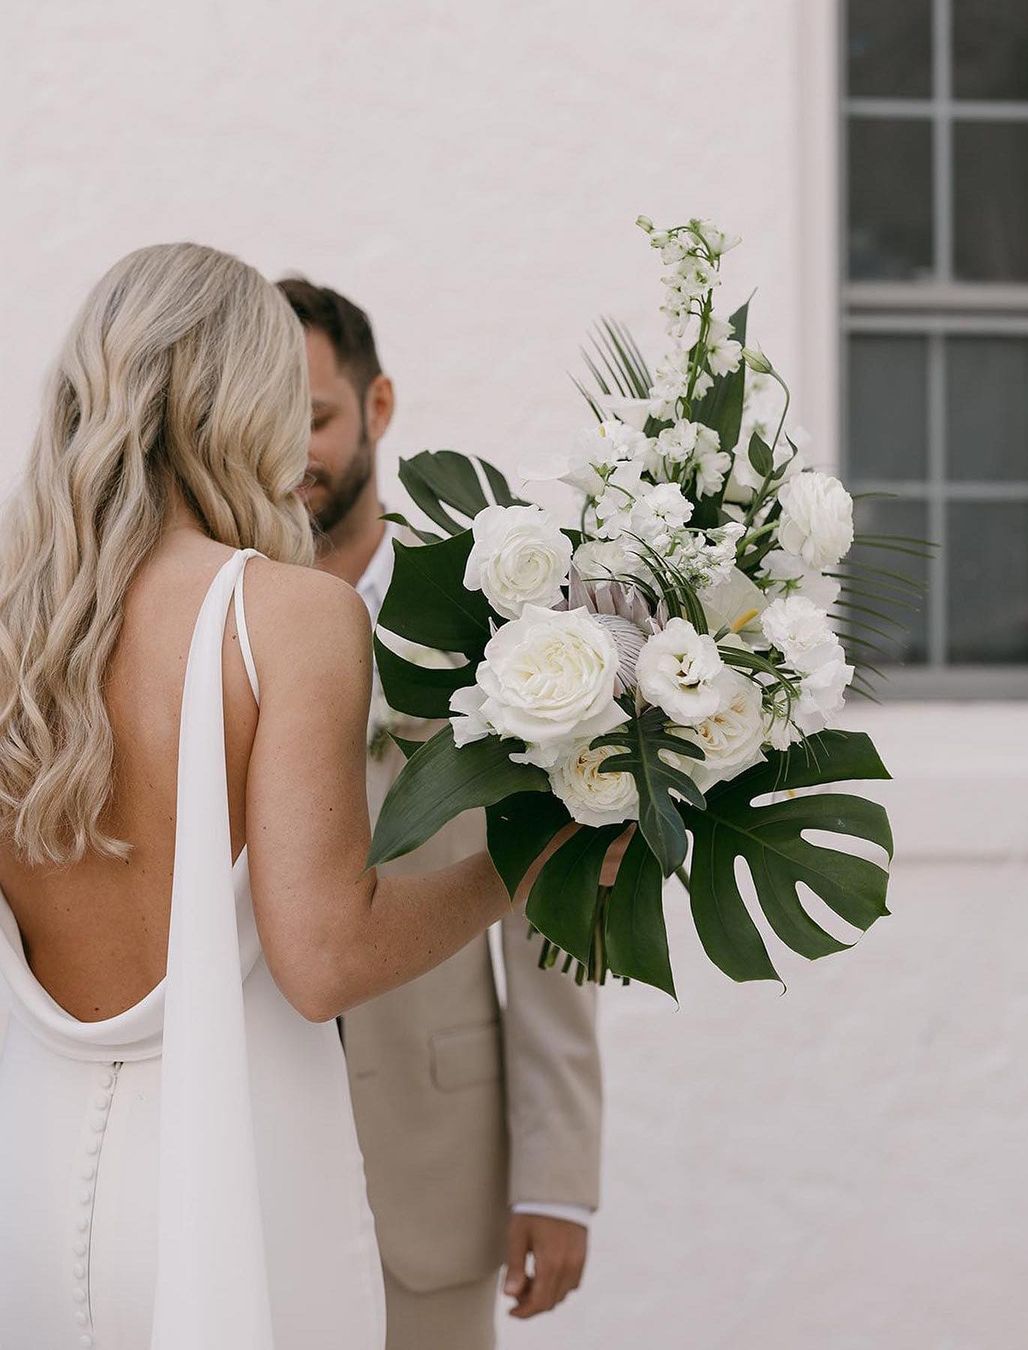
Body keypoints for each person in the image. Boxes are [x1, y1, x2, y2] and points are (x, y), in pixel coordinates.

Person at [0, 243, 608, 1349]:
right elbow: (323, 960)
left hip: (37, 1190)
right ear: (246, 398)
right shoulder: (286, 615)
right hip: (238, 1188)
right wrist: (540, 852)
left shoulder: (17, 626)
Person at [276, 278, 603, 1350]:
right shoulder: (223, 608)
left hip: (438, 1149)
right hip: (256, 1142)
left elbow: (545, 892)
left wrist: (558, 1176)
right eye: (267, 419)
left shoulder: (487, 615)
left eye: (317, 417)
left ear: (377, 409)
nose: (293, 451)